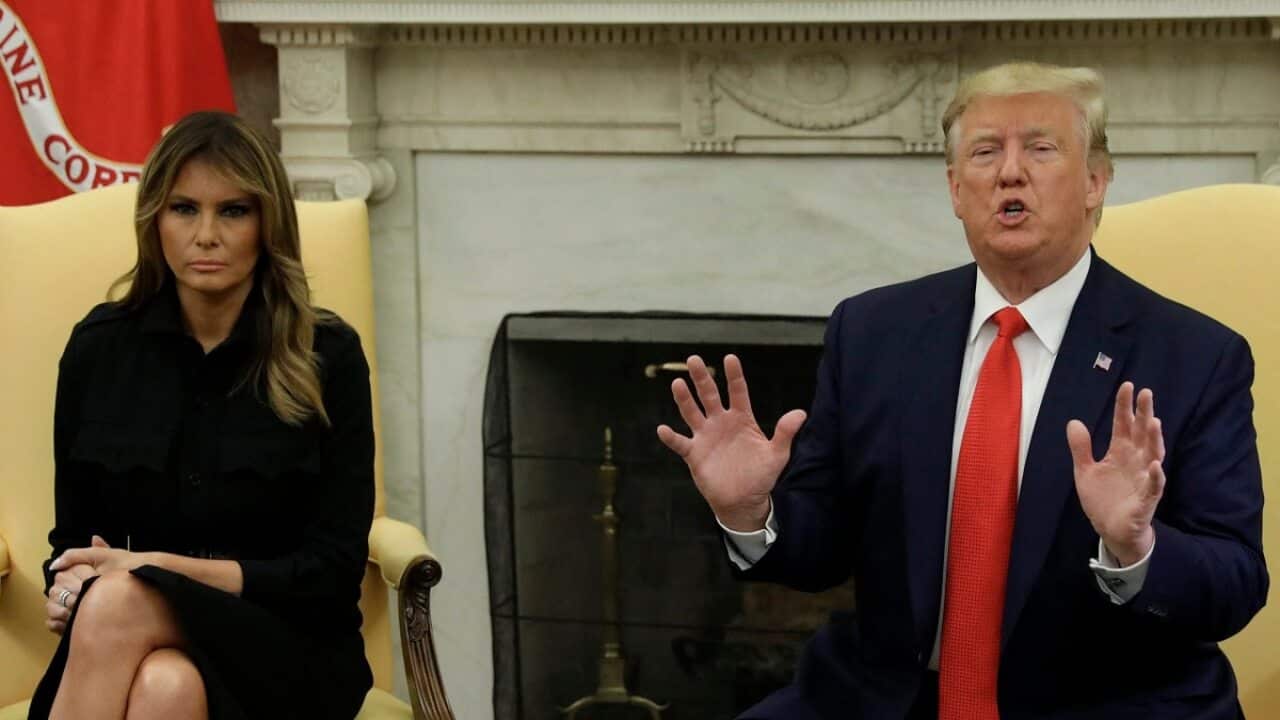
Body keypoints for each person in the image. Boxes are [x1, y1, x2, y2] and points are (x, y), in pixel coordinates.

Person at [658, 62, 1267, 719]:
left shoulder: (1196, 356)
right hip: (889, 695)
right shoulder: (871, 331)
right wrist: (753, 514)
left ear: (1095, 182)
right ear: (955, 189)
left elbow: (1235, 582)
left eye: (1040, 148)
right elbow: (823, 545)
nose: (1010, 172)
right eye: (984, 152)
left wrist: (1136, 548)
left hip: (1108, 701)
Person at [29, 111, 375, 720]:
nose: (206, 234)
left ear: (268, 224)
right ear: (154, 220)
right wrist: (65, 588)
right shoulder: (99, 347)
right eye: (183, 208)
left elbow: (332, 572)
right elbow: (73, 541)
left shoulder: (328, 356)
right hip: (126, 646)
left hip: (286, 647)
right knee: (167, 688)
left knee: (118, 602)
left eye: (233, 211)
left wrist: (156, 570)